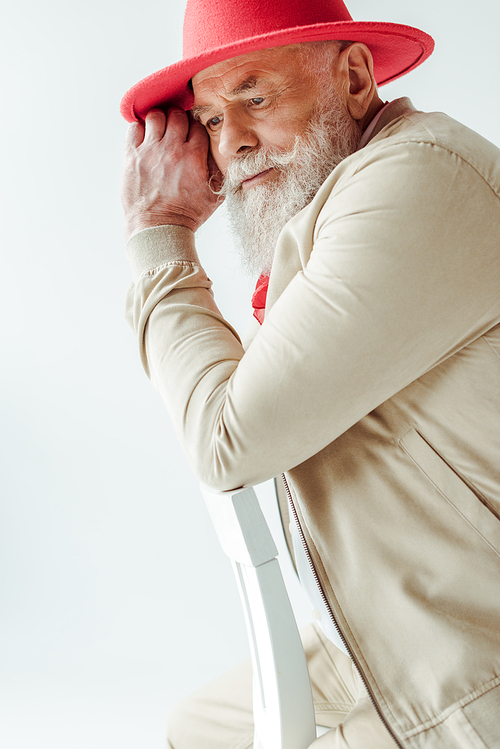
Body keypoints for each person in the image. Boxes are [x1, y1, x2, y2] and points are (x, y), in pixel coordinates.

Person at [120, 0, 500, 746]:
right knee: (198, 729)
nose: (236, 145)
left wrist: (159, 241)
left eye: (255, 97)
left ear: (356, 78)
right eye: (214, 121)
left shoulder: (417, 180)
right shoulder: (343, 203)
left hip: (472, 658)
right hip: (391, 629)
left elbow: (229, 440)